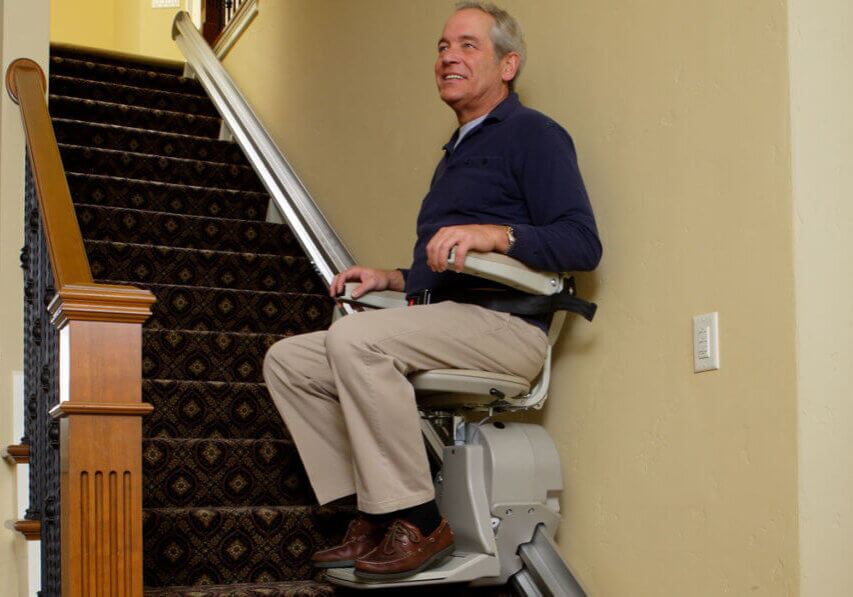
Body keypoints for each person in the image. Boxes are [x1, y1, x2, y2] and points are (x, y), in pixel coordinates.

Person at [263, 1, 601, 580]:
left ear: (507, 64)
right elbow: (444, 266)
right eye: (444, 46)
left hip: (507, 329)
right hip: (449, 321)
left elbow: (581, 243)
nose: (449, 57)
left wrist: (497, 234)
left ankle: (418, 520)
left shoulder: (534, 135)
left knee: (355, 340)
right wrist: (392, 278)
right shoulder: (456, 153)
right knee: (290, 360)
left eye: (468, 45)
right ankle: (372, 515)